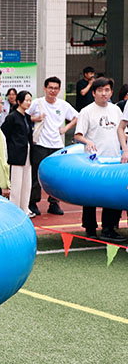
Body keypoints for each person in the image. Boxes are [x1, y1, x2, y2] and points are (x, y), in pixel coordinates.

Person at [74, 77, 125, 242]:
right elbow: (78, 135)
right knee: (91, 195)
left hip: (113, 159)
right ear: (94, 93)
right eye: (100, 90)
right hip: (94, 161)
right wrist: (87, 141)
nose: (104, 93)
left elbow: (121, 132)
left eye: (107, 90)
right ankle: (90, 228)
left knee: (112, 195)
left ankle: (109, 228)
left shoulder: (116, 110)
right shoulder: (86, 111)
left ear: (111, 92)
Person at [26, 77, 78, 216]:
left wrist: (66, 128)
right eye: (50, 88)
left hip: (57, 145)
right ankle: (33, 202)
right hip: (40, 144)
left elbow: (76, 117)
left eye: (56, 88)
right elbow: (24, 116)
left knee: (56, 175)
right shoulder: (37, 103)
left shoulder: (63, 105)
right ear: (45, 88)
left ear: (59, 90)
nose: (53, 91)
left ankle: (54, 203)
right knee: (36, 174)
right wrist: (35, 119)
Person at [0, 91, 34, 216]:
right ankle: (15, 210)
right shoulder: (12, 117)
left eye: (30, 100)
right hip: (16, 154)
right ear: (19, 102)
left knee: (27, 182)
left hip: (27, 152)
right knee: (16, 183)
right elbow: (4, 133)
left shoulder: (27, 117)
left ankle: (25, 208)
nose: (29, 103)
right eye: (26, 100)